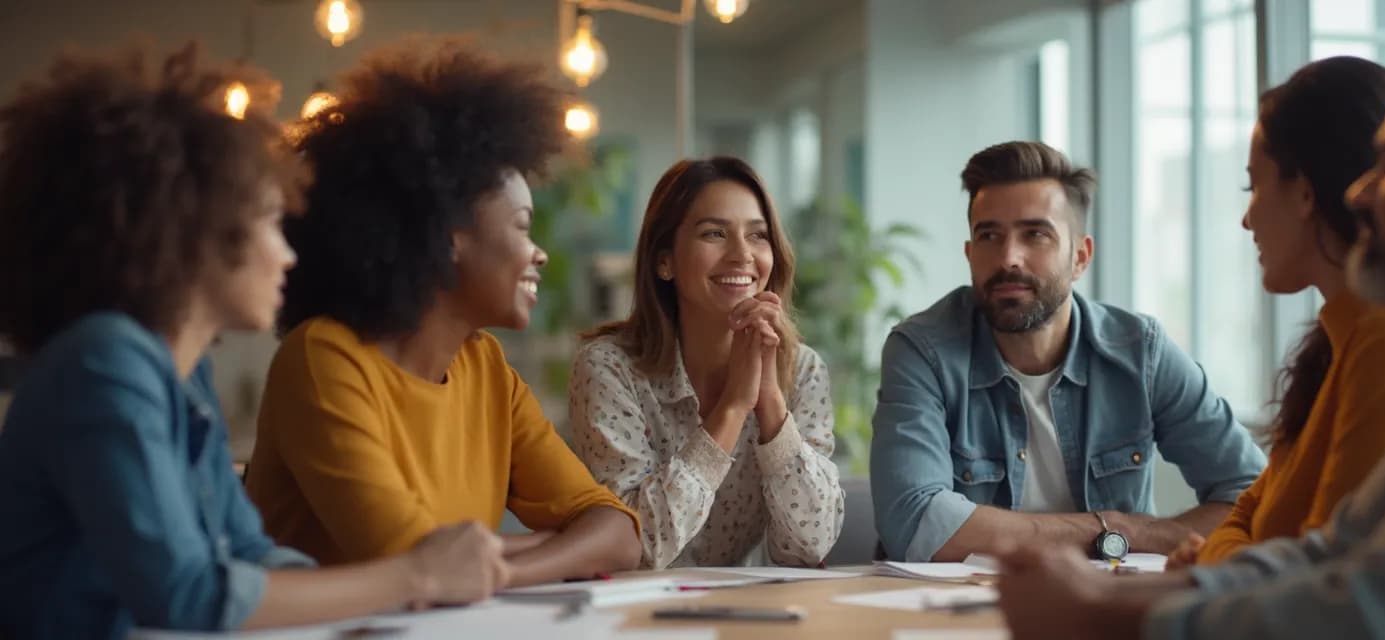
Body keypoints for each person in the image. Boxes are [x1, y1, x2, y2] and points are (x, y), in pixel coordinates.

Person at [996, 23, 1385, 640]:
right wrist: (1101, 590)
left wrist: (1107, 612)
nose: (1359, 193)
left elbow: (1384, 608)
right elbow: (1331, 551)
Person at [0, 43, 507, 639]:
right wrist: (413, 578)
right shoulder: (105, 361)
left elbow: (247, 551)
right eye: (271, 220)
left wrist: (376, 599)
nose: (288, 252)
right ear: (193, 233)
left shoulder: (182, 373)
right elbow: (187, 594)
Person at [242, 40, 641, 583]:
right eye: (522, 226)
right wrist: (550, 550)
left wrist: (495, 567)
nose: (538, 251)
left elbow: (617, 534)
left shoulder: (487, 368)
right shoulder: (324, 357)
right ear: (448, 236)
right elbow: (409, 559)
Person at [870, 141, 1266, 563]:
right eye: (989, 235)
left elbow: (1255, 498)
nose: (1009, 258)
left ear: (1080, 256)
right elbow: (914, 522)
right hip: (954, 616)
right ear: (970, 255)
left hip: (1109, 610)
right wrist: (1111, 530)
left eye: (1035, 234)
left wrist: (1130, 531)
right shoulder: (923, 351)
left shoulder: (1140, 352)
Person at [1163, 57, 1385, 570]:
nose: (1246, 218)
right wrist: (1233, 561)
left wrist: (1218, 564)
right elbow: (1242, 517)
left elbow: (1323, 576)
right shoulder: (1335, 342)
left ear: (1305, 192)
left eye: (1253, 187)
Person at [569, 157, 844, 568]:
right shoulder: (610, 369)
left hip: (744, 618)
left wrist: (769, 400)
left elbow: (809, 546)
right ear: (665, 260)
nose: (742, 255)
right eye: (714, 233)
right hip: (633, 617)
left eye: (758, 235)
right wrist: (732, 408)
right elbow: (639, 549)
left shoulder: (801, 370)